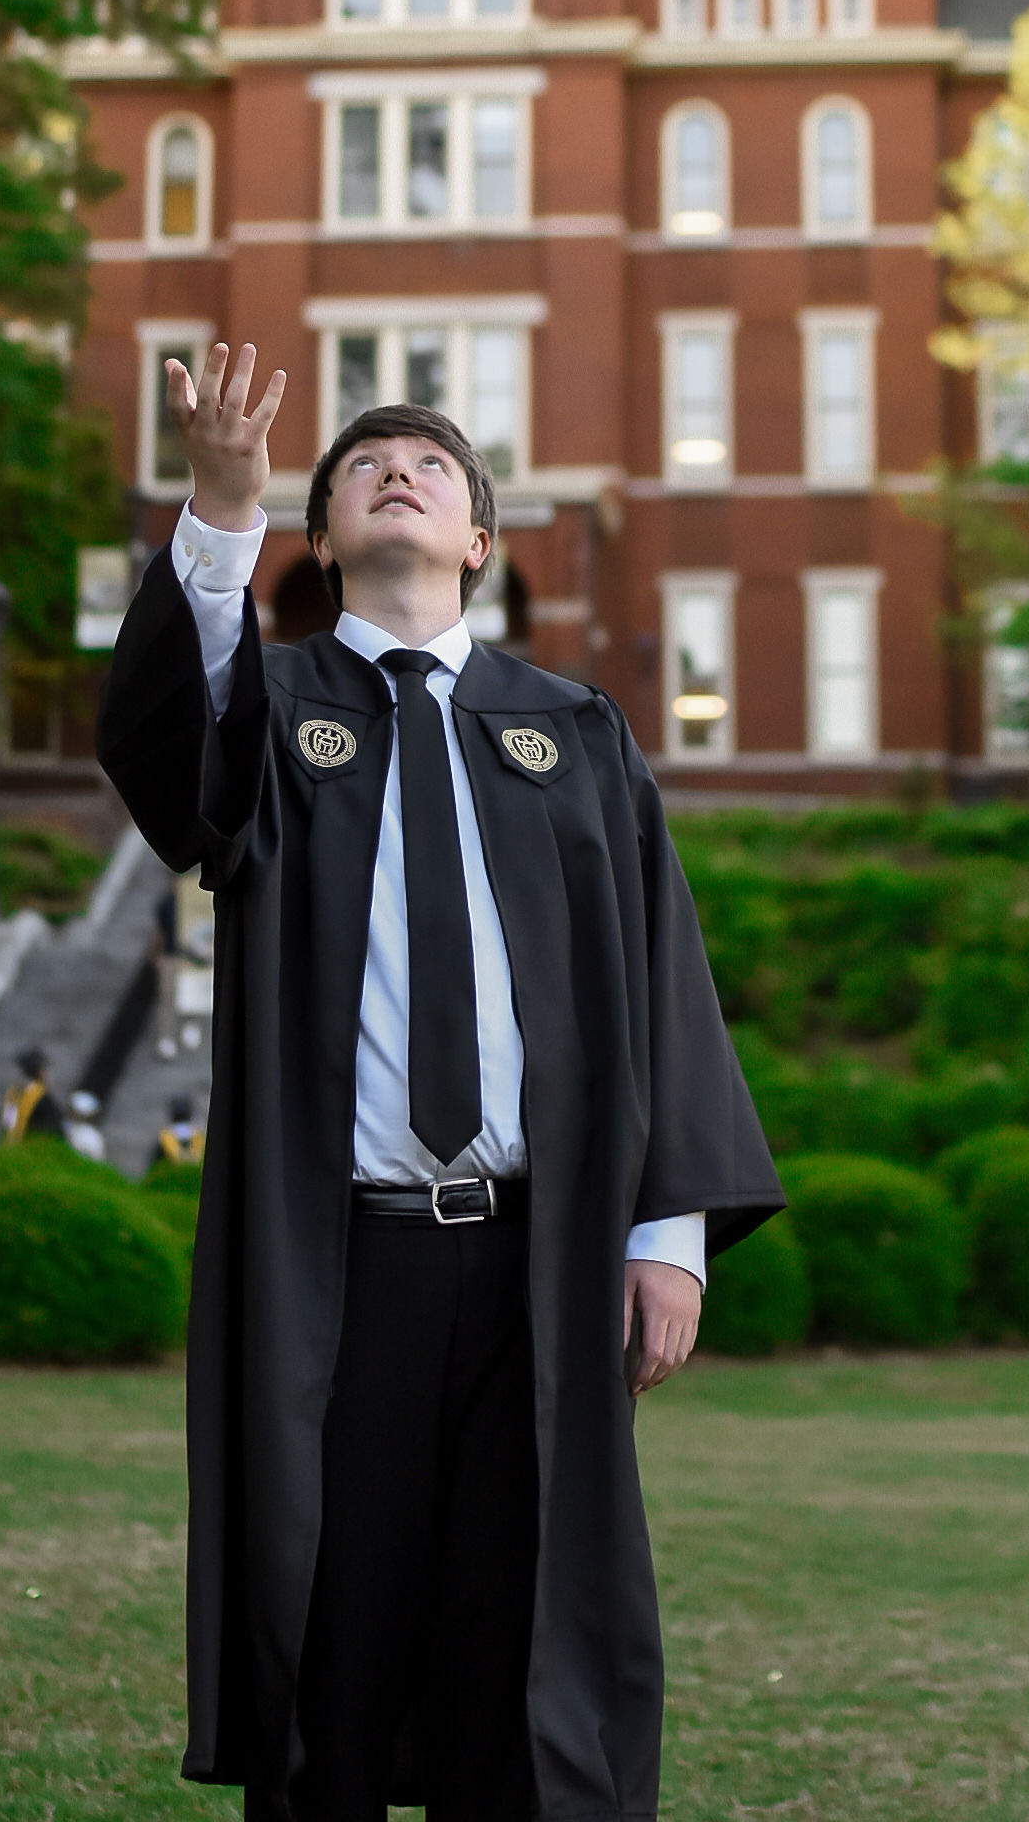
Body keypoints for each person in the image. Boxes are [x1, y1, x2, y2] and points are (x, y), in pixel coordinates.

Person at [97, 342, 782, 1822]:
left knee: (520, 1630)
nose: (396, 473)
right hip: (343, 1268)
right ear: (323, 537)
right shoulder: (270, 712)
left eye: (429, 466)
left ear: (479, 540)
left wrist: (667, 1234)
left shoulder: (573, 732)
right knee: (329, 1623)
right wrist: (219, 511)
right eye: (362, 466)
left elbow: (661, 974)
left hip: (540, 1264)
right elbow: (165, 763)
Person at [0, 1043, 65, 1144]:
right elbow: (56, 1131)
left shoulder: (13, 1094)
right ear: (40, 1071)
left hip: (11, 1147)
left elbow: (7, 1125)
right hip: (33, 1148)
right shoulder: (43, 1098)